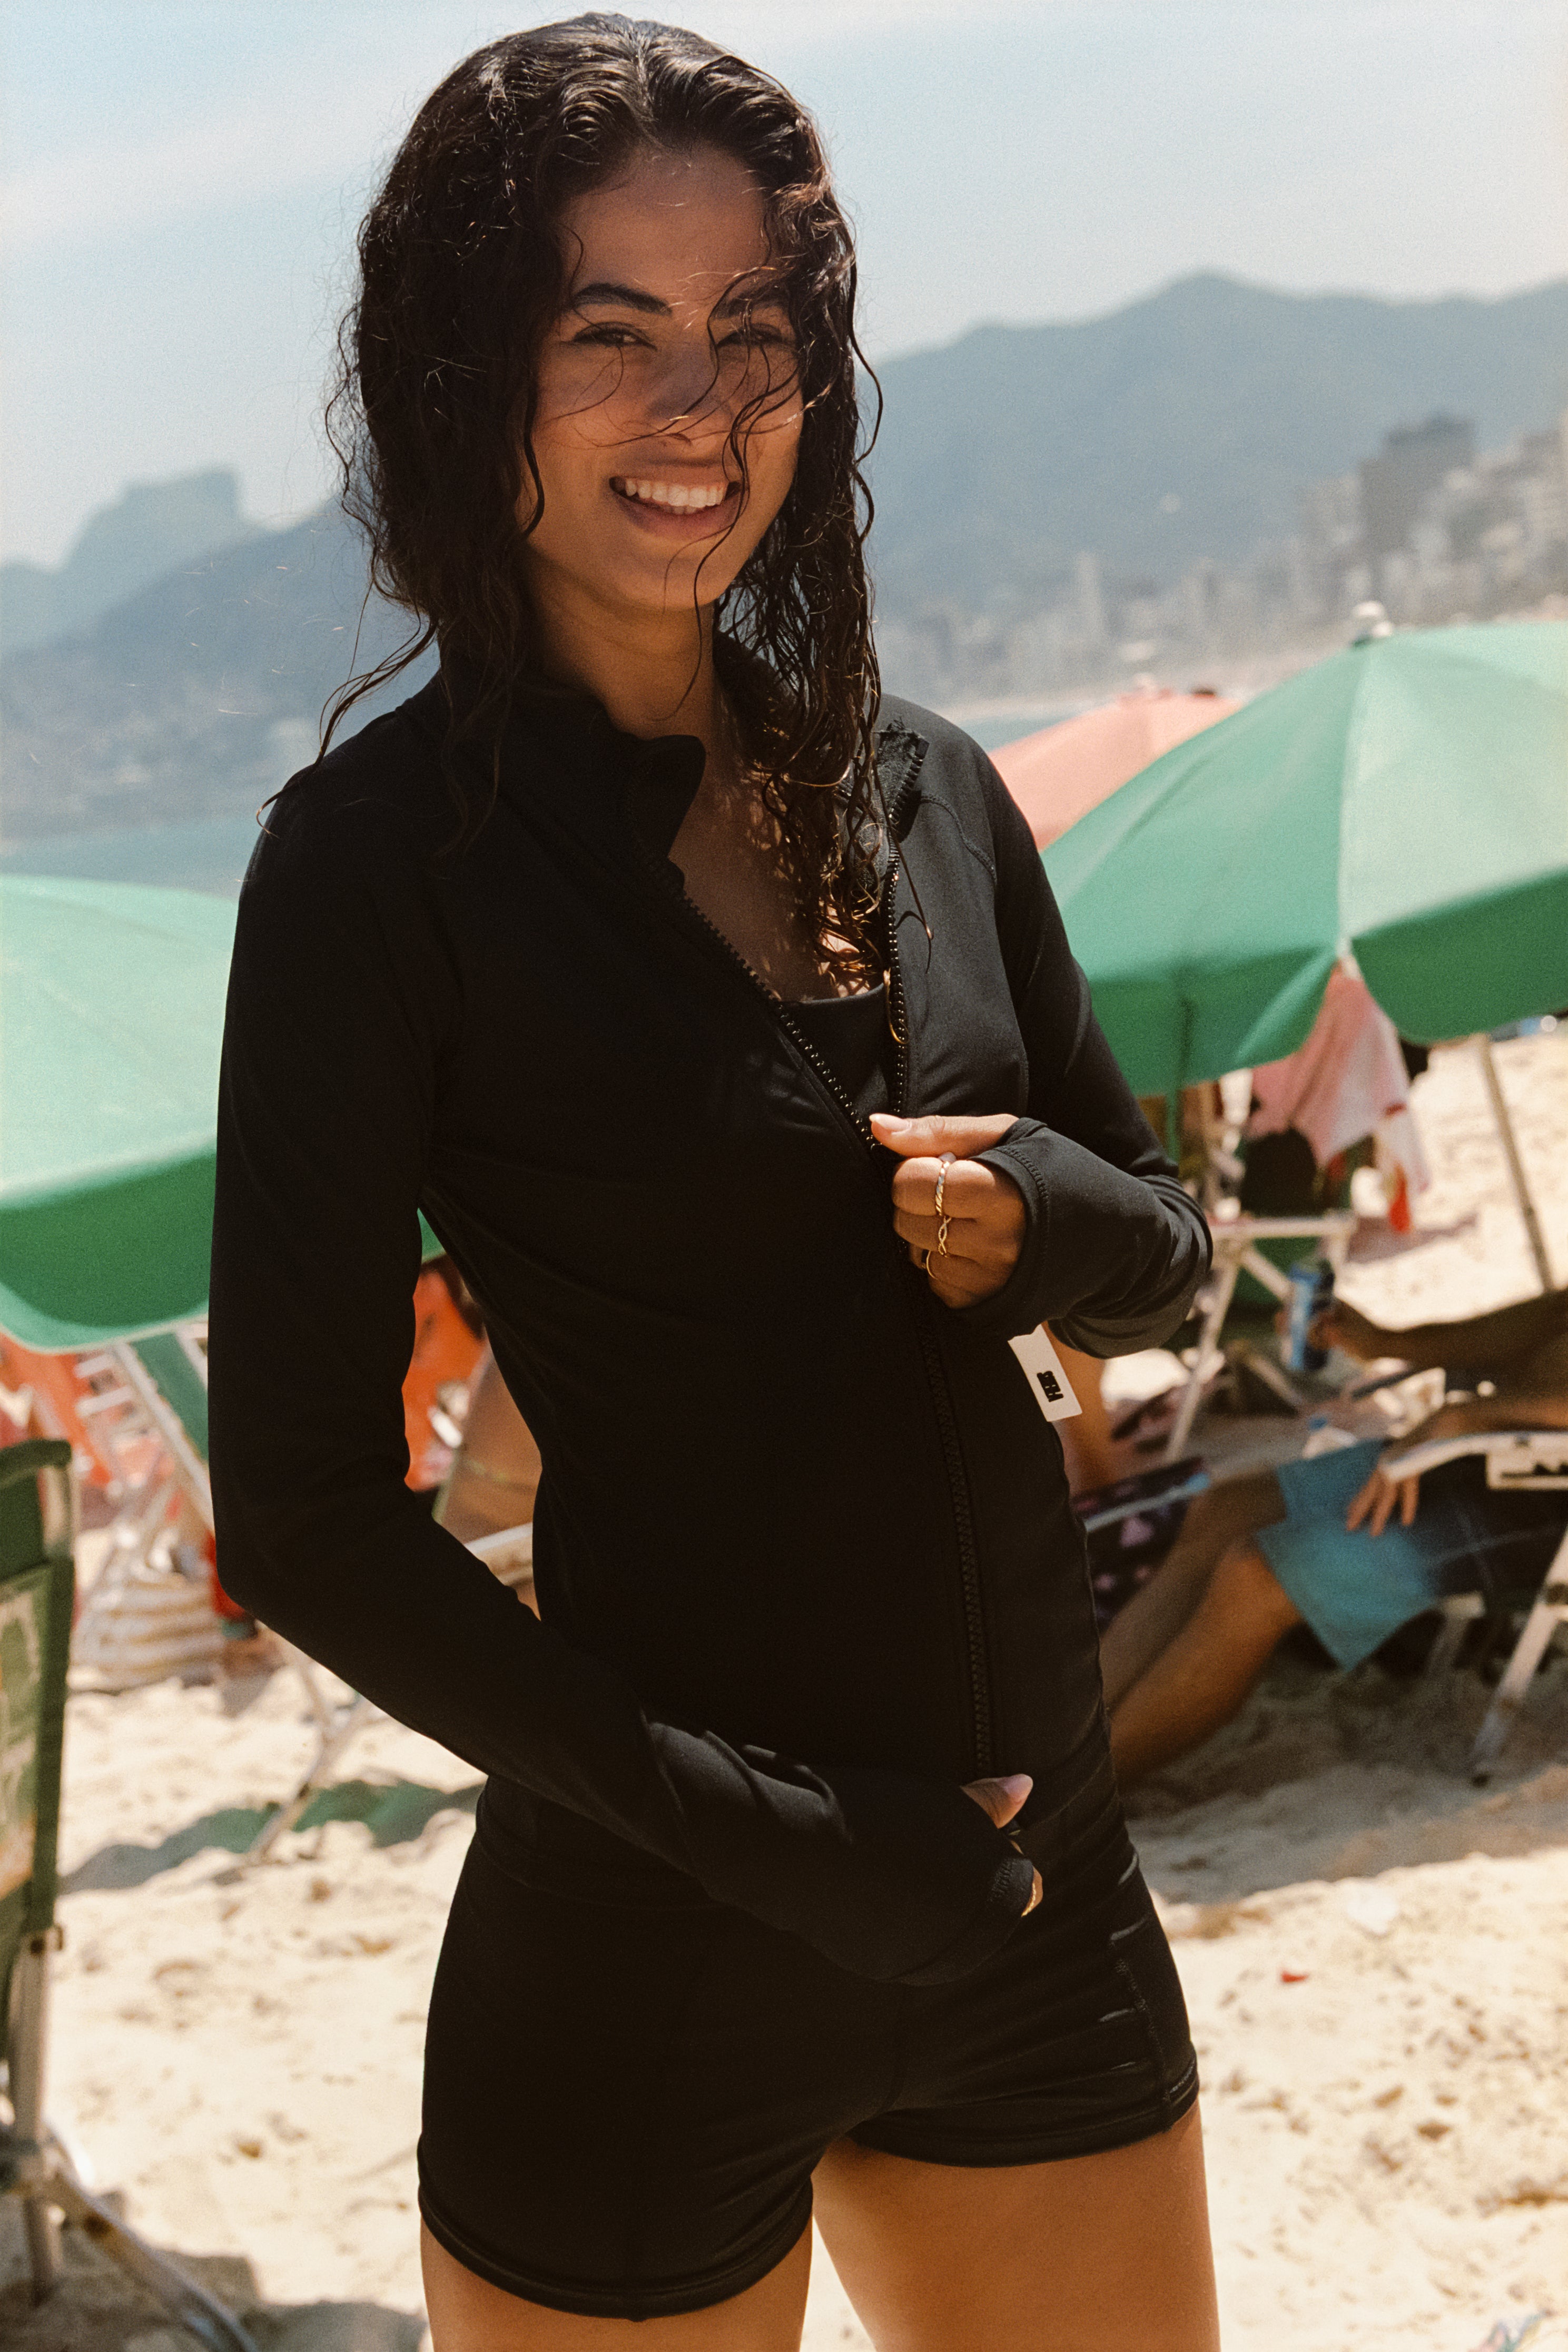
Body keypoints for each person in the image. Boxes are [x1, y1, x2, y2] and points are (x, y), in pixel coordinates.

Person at [208, 19, 1215, 2348]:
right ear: (469, 378)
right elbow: (309, 1515)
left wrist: (1046, 1215)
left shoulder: (924, 784)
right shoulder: (378, 871)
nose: (701, 408)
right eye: (612, 335)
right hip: (658, 1948)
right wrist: (784, 1838)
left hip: (1039, 1909)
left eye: (750, 330)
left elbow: (1162, 1251)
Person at [1101, 1290, 1568, 1786]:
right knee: (1224, 1513)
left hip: (1546, 1494)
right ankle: (1068, 1741)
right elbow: (1547, 1319)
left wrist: (1465, 1417)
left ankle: (1079, 1793)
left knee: (1260, 1574)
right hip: (1490, 1448)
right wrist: (1383, 1342)